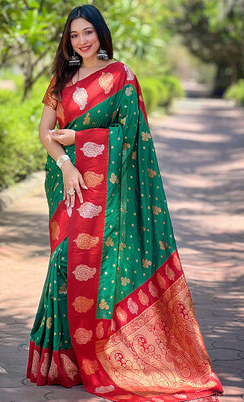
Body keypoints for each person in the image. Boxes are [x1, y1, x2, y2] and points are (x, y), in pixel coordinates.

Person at [26, 5, 223, 401]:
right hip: (67, 184)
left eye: (88, 33)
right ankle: (67, 359)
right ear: (68, 40)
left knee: (97, 265)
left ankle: (101, 355)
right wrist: (65, 165)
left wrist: (80, 140)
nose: (82, 41)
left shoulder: (120, 76)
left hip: (104, 186)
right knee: (64, 264)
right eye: (75, 35)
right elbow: (46, 132)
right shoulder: (61, 77)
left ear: (100, 33)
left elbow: (129, 136)